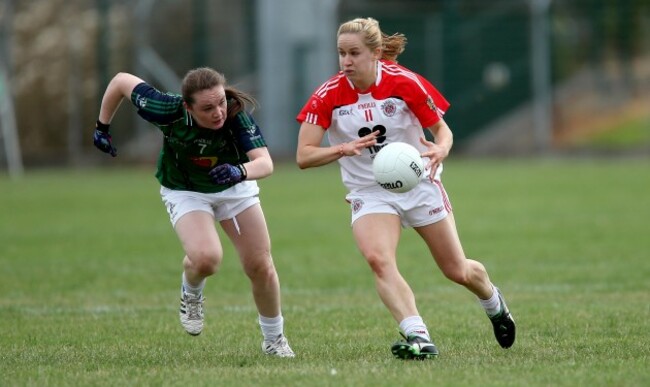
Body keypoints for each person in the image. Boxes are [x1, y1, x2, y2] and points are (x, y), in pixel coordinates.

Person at [295, 17, 515, 360]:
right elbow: (304, 156)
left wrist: (441, 149)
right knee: (378, 259)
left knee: (456, 270)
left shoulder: (405, 82)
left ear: (376, 53)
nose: (346, 61)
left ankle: (493, 301)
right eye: (341, 53)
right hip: (369, 190)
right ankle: (419, 336)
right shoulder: (327, 96)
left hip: (419, 183)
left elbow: (443, 132)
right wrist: (343, 148)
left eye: (354, 53)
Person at [93, 67, 295, 357]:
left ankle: (274, 340)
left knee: (260, 265)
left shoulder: (236, 115)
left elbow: (265, 163)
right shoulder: (166, 109)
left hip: (234, 186)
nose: (218, 112)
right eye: (208, 108)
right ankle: (191, 291)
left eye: (221, 102)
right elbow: (121, 81)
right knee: (206, 259)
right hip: (185, 190)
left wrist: (239, 171)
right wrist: (102, 127)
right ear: (187, 106)